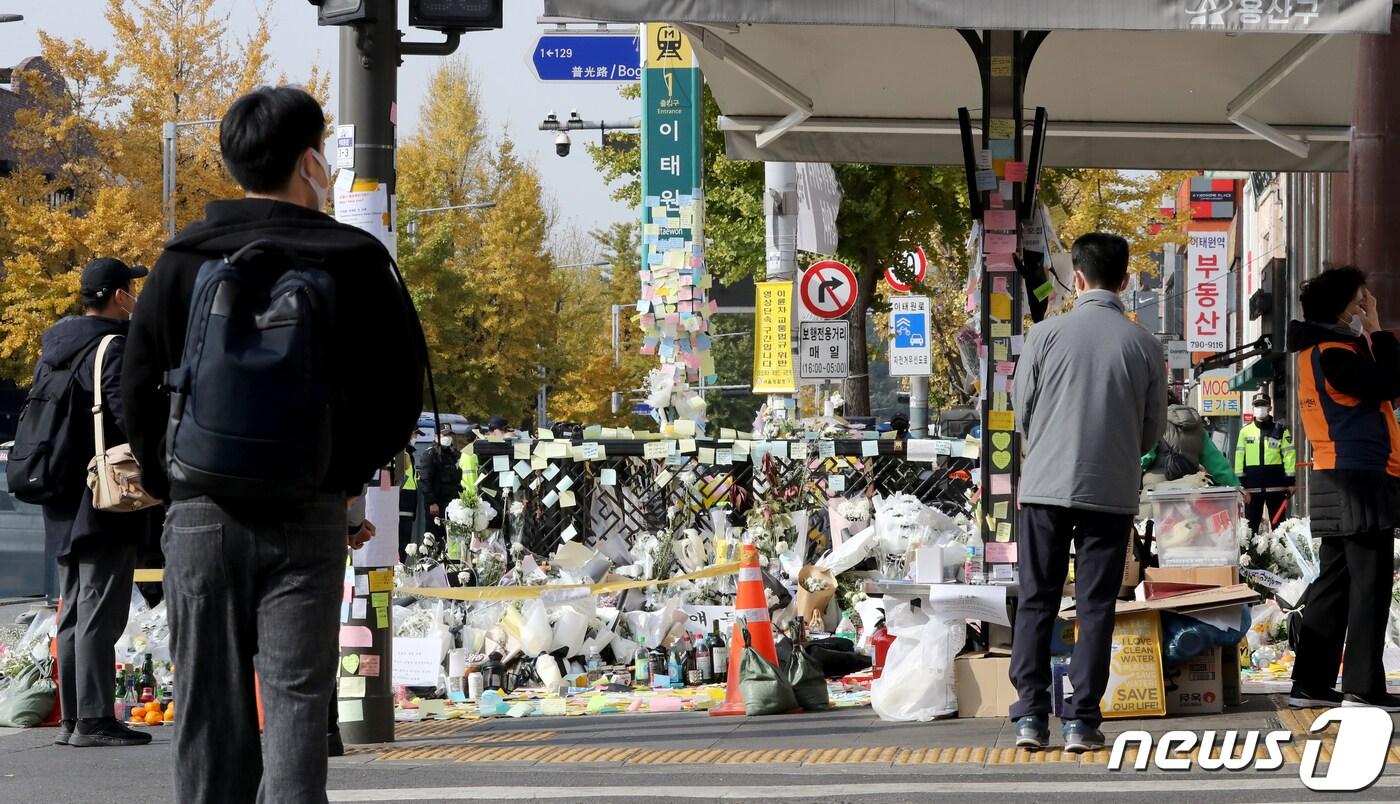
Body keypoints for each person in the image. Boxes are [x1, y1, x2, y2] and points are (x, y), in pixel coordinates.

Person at [121, 87, 423, 802]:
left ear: (232, 164)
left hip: (200, 512)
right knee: (295, 703)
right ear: (312, 162)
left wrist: (175, 481)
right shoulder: (355, 260)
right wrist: (343, 480)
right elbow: (398, 395)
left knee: (206, 706)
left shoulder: (180, 261)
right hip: (308, 510)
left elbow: (135, 388)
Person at [1010, 233, 1167, 752]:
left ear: (1076, 277)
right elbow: (1151, 430)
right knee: (1097, 603)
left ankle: (1031, 716)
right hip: (1111, 490)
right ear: (1125, 281)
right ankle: (1082, 720)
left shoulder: (1043, 336)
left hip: (1044, 488)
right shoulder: (1145, 345)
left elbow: (1025, 415)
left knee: (1037, 599)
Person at [38, 258, 152, 748]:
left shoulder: (54, 347)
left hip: (58, 493)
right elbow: (128, 416)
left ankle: (72, 719)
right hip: (104, 491)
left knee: (71, 610)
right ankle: (95, 719)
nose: (134, 296)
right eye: (130, 287)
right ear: (117, 295)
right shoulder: (112, 347)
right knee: (100, 610)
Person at [1285, 266, 1400, 711]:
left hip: (1337, 473)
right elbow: (1392, 384)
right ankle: (1362, 686)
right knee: (1369, 584)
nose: (1362, 308)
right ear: (1340, 306)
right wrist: (1377, 329)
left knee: (1334, 582)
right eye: (1357, 301)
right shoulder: (1335, 352)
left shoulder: (1318, 350)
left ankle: (1311, 683)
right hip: (1358, 475)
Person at [1141, 400, 1241, 489]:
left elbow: (1144, 459)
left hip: (1158, 490)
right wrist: (1236, 486)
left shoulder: (1156, 425)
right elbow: (1217, 464)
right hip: (1190, 489)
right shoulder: (1198, 430)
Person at [1234, 392, 1297, 532]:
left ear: (1270, 407)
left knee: (1280, 528)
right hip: (1252, 489)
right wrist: (1241, 485)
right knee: (1250, 529)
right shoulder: (1245, 431)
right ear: (1253, 407)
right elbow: (1239, 458)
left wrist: (1291, 481)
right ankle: (1250, 554)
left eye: (1263, 405)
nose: (1260, 408)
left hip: (1277, 487)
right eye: (1257, 405)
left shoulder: (1281, 430)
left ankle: (1281, 553)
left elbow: (1289, 456)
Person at [418, 425, 462, 538]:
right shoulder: (430, 455)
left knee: (451, 537)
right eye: (444, 434)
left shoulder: (453, 455)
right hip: (437, 503)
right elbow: (425, 480)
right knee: (434, 537)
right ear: (436, 436)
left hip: (452, 504)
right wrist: (431, 502)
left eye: (449, 435)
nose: (447, 437)